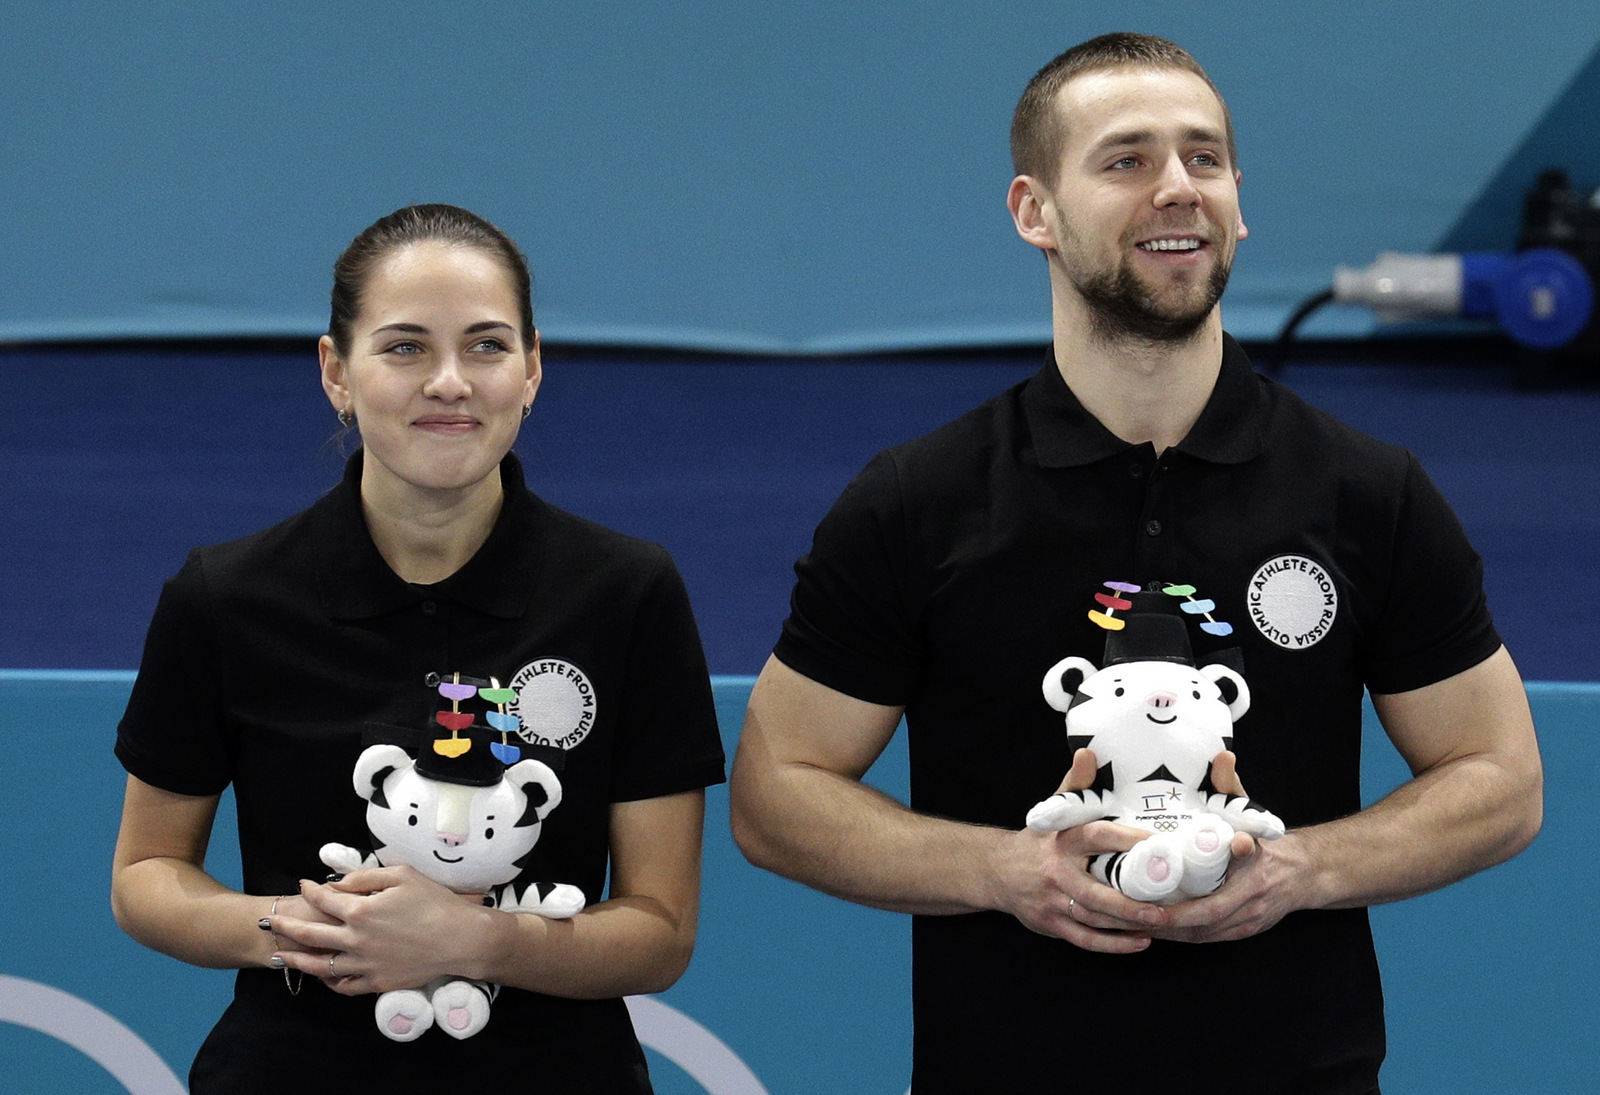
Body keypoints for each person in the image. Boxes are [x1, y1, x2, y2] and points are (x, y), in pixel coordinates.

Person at [729, 33, 1542, 1095]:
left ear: (1239, 204)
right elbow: (775, 793)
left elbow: (1502, 780)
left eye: (1204, 160)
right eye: (1126, 161)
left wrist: (1297, 872)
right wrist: (1007, 873)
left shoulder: (1364, 492)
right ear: (1034, 212)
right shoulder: (918, 502)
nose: (1176, 189)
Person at [111, 204, 725, 1092]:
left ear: (533, 369)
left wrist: (478, 939)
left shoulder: (627, 591)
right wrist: (318, 932)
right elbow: (146, 874)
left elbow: (661, 929)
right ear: (337, 373)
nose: (449, 381)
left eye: (486, 346)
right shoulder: (225, 596)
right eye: (404, 347)